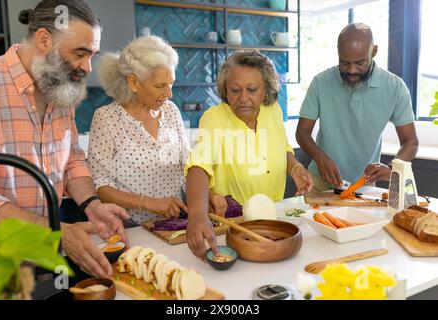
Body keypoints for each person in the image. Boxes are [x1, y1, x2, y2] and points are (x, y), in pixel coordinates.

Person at [0, 0, 129, 279]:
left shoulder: (60, 88)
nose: (88, 67)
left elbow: (72, 158)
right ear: (43, 39)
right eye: (80, 53)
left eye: (92, 55)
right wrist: (58, 233)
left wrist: (92, 204)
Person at [184, 49, 314, 259]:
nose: (243, 98)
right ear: (225, 90)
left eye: (252, 90)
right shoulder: (214, 119)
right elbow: (198, 166)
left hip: (275, 225)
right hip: (234, 229)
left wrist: (295, 167)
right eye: (235, 90)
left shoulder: (273, 111)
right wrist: (197, 214)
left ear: (266, 90)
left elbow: (283, 149)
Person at [296, 23, 419, 191]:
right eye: (344, 63)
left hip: (365, 186)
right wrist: (320, 158)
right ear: (338, 52)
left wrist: (391, 168)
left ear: (374, 52)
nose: (352, 70)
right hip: (319, 183)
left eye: (360, 63)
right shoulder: (321, 82)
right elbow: (302, 133)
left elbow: (410, 142)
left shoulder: (395, 87)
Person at [87, 36, 189, 226]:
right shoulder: (106, 118)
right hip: (131, 226)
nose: (169, 94)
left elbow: (186, 166)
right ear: (133, 82)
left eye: (171, 83)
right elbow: (101, 186)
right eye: (160, 86)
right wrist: (150, 204)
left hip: (174, 224)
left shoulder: (171, 110)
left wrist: (206, 194)